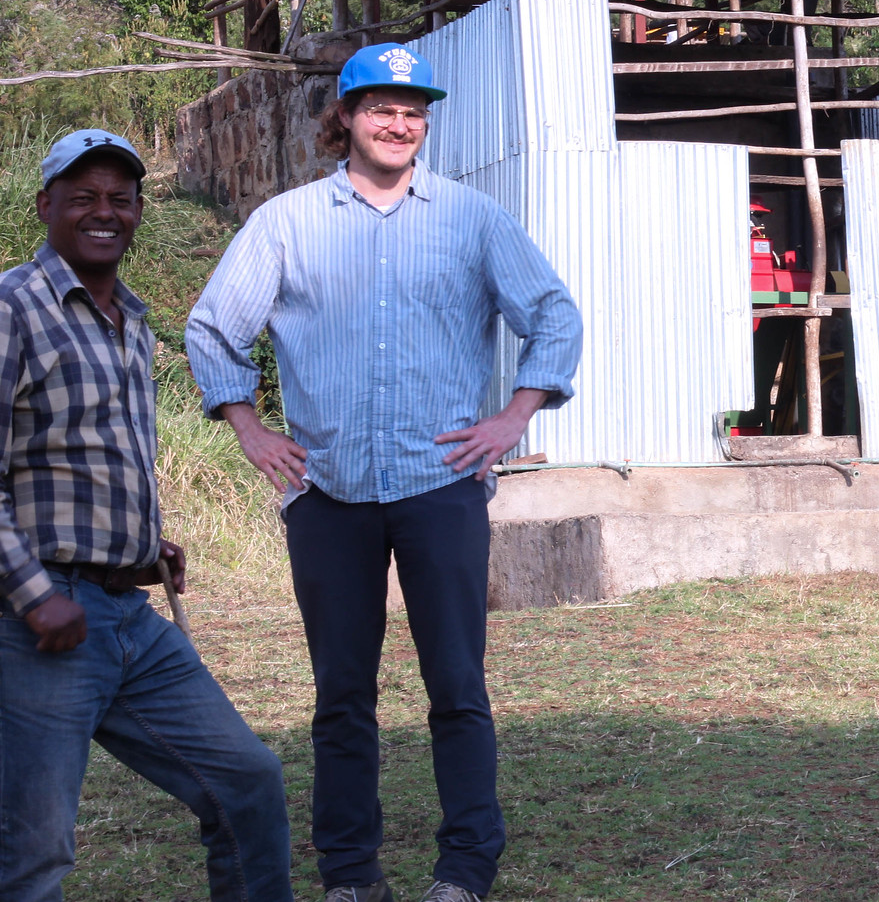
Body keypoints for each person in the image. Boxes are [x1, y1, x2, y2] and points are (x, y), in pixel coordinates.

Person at [187, 44, 582, 902]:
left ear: (423, 122)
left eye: (412, 109)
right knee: (341, 695)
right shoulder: (286, 223)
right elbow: (215, 327)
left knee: (457, 684)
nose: (398, 123)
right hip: (326, 491)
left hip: (441, 485)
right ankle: (351, 875)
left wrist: (515, 414)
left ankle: (465, 868)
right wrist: (250, 429)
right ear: (346, 117)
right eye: (379, 107)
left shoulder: (471, 219)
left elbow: (551, 312)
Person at [0, 129, 293, 901]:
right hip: (36, 626)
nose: (105, 212)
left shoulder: (132, 319)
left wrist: (140, 543)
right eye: (84, 196)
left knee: (249, 783)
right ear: (46, 205)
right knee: (33, 853)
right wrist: (37, 596)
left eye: (120, 198)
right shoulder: (12, 308)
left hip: (126, 615)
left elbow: (81, 457)